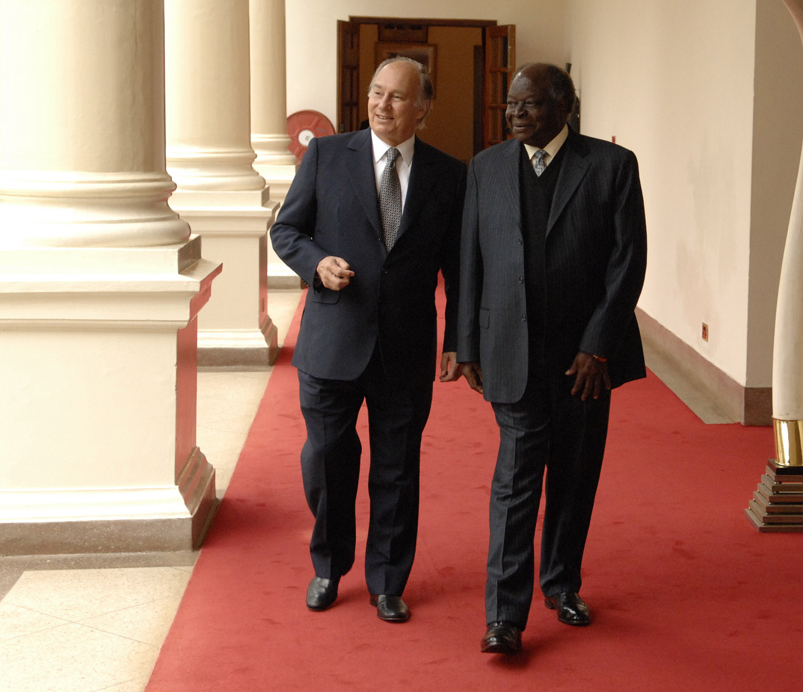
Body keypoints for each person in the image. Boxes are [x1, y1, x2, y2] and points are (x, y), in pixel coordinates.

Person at [458, 63, 648, 654]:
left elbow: (628, 262)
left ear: (565, 107)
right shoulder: (486, 167)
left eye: (530, 104)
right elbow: (470, 260)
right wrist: (466, 343)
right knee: (515, 481)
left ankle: (562, 584)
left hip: (585, 363)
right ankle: (503, 617)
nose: (515, 114)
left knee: (574, 474)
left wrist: (598, 345)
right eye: (511, 104)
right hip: (510, 351)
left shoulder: (612, 165)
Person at [271, 57, 466, 623]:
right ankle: (329, 567)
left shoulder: (449, 175)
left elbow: (459, 267)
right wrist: (316, 263)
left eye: (397, 97)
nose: (382, 104)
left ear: (423, 108)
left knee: (397, 469)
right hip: (332, 341)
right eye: (377, 92)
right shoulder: (327, 156)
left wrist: (459, 338)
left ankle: (388, 581)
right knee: (328, 461)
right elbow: (286, 230)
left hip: (405, 346)